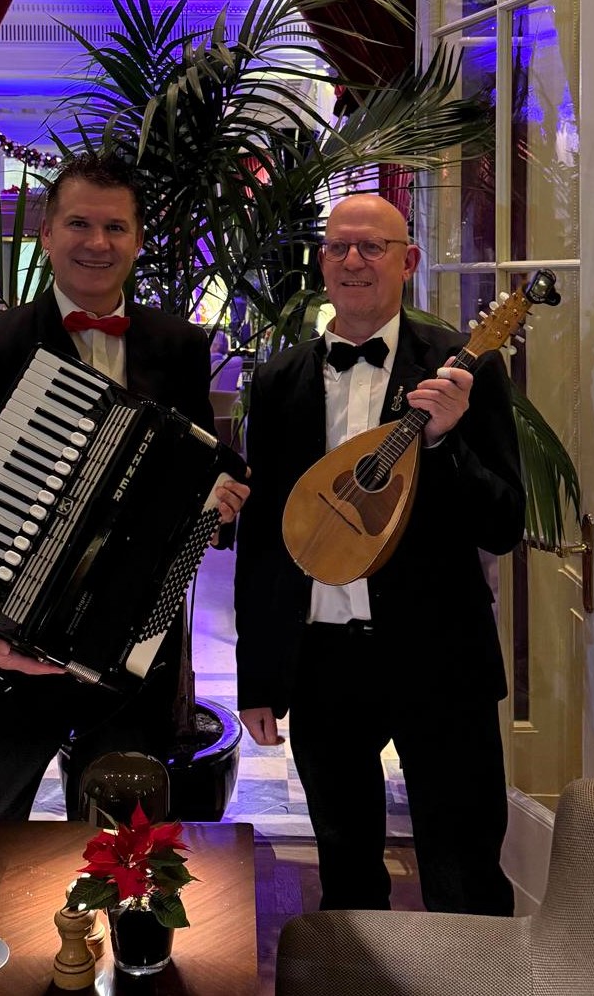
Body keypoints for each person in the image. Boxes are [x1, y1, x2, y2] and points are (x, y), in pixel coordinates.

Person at [0, 152, 249, 821]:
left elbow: (201, 475)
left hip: (129, 664)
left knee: (125, 858)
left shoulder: (178, 346)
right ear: (47, 234)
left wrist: (220, 503)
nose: (97, 243)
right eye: (79, 224)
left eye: (115, 227)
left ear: (138, 241)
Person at [234, 193, 524, 915]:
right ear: (321, 261)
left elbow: (503, 524)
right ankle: (358, 970)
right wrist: (259, 676)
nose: (354, 260)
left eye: (373, 246)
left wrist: (445, 442)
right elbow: (265, 537)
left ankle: (474, 975)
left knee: (464, 873)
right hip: (323, 660)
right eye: (339, 246)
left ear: (409, 261)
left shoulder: (464, 368)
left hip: (440, 659)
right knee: (347, 874)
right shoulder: (277, 381)